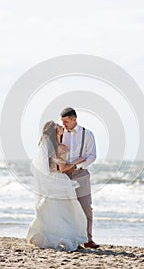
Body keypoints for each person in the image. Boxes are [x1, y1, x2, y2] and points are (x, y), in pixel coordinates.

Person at [27, 121, 87, 251]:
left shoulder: (51, 147)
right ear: (55, 131)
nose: (61, 126)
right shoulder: (60, 148)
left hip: (53, 181)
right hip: (59, 179)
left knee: (58, 210)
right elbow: (62, 168)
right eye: (58, 126)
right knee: (67, 210)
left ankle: (56, 234)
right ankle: (68, 237)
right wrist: (78, 161)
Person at [61, 107, 100, 249]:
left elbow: (92, 156)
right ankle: (73, 240)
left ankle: (88, 239)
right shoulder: (60, 133)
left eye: (66, 121)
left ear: (74, 119)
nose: (64, 124)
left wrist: (76, 167)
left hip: (81, 174)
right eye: (62, 122)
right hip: (62, 175)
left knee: (86, 207)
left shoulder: (87, 134)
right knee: (67, 208)